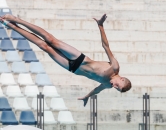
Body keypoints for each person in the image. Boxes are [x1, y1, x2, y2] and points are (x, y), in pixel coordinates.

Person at [0, 14, 131, 106]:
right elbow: (105, 46)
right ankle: (17, 20)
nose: (114, 86)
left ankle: (10, 25)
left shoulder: (108, 84)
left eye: (116, 89)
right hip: (79, 58)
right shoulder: (114, 67)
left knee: (44, 46)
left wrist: (86, 97)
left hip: (72, 68)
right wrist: (100, 26)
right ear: (122, 79)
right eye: (117, 85)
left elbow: (96, 90)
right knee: (50, 39)